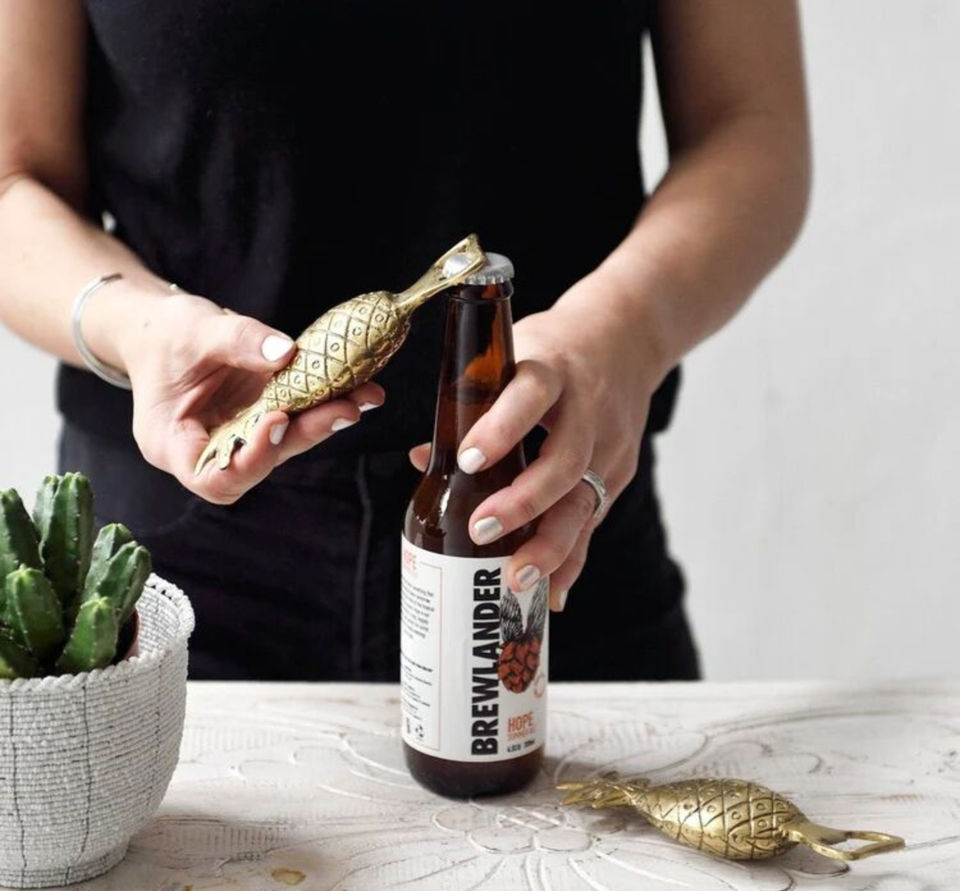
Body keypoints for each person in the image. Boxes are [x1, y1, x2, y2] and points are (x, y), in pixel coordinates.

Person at [0, 2, 810, 681]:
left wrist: (624, 328)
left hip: (548, 526)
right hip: (163, 569)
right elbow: (13, 179)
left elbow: (751, 125)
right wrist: (137, 325)